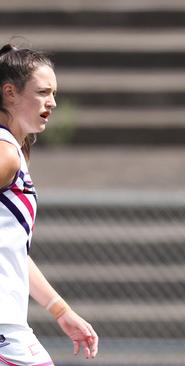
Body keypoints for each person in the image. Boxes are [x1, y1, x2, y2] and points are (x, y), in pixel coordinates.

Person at [0, 43, 98, 365]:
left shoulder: (12, 149)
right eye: (43, 92)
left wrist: (61, 310)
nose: (52, 102)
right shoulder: (5, 153)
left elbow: (11, 249)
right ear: (10, 93)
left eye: (54, 93)